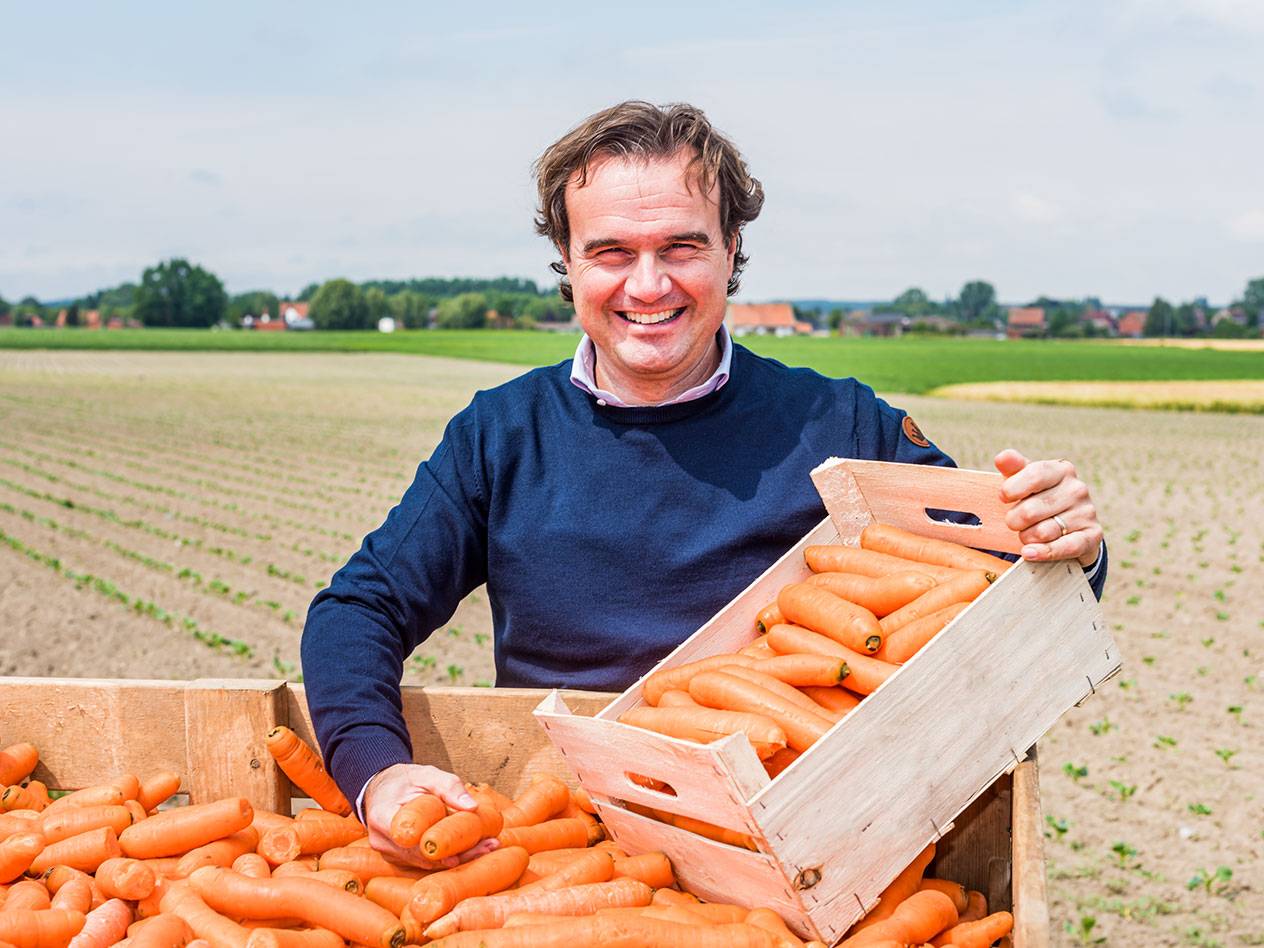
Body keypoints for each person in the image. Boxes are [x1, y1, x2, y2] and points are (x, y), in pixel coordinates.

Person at [300, 100, 1107, 867]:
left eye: (682, 247)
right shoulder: (500, 436)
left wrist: (1061, 541)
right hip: (560, 832)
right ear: (569, 266)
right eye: (611, 253)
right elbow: (359, 610)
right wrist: (379, 774)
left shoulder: (841, 424)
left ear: (731, 254)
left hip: (804, 829)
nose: (647, 286)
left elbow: (991, 584)